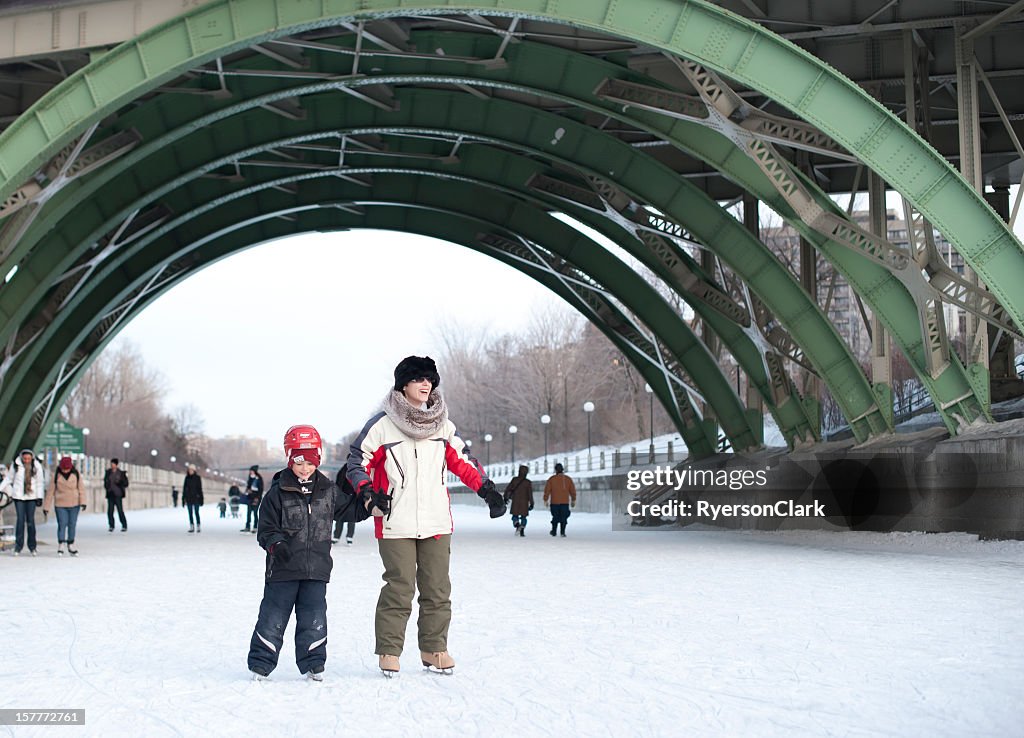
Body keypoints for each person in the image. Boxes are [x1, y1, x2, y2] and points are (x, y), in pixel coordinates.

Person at [348, 355, 507, 677]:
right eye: (419, 378)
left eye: (430, 379)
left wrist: (486, 489)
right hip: (395, 520)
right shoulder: (382, 425)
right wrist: (367, 493)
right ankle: (389, 651)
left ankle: (434, 649)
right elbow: (357, 461)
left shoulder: (442, 425)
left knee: (437, 589)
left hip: (436, 520)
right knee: (399, 588)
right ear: (403, 384)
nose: (426, 384)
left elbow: (463, 461)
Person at [248, 425, 366, 682]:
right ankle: (261, 662)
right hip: (283, 570)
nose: (304, 468)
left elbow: (352, 512)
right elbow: (266, 529)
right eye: (299, 462)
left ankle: (314, 662)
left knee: (313, 617)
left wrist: (370, 500)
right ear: (290, 459)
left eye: (310, 462)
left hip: (316, 570)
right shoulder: (277, 493)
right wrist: (277, 545)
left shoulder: (327, 490)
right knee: (273, 616)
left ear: (318, 460)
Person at [0, 449, 45, 555]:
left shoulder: (36, 466)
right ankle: (18, 546)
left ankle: (32, 546)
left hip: (31, 496)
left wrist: (39, 497)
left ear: (32, 458)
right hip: (19, 497)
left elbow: (40, 482)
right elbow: (8, 479)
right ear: (21, 457)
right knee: (20, 520)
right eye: (25, 458)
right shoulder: (16, 465)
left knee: (30, 521)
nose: (26, 461)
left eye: (28, 459)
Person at [43, 456, 86, 556]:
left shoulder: (76, 474)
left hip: (74, 503)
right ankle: (61, 543)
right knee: (62, 523)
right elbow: (50, 491)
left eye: (67, 469)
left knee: (72, 524)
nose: (66, 471)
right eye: (64, 469)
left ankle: (71, 543)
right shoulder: (56, 475)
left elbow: (81, 489)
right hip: (60, 504)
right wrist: (46, 506)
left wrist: (83, 502)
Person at [543, 462, 577, 537]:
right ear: (562, 470)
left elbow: (547, 490)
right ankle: (562, 532)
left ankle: (554, 531)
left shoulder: (551, 479)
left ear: (555, 470)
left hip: (554, 502)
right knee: (564, 517)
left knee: (555, 516)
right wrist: (573, 499)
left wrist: (545, 499)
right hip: (565, 502)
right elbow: (572, 490)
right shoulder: (568, 479)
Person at [503, 464, 534, 537]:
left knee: (515, 516)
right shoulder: (528, 482)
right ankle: (522, 529)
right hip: (524, 503)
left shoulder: (514, 480)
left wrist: (505, 497)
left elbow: (508, 489)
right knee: (524, 517)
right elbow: (530, 494)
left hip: (515, 502)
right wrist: (532, 503)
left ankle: (517, 525)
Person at [333, 466, 357, 545]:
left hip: (352, 497)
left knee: (349, 517)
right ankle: (337, 536)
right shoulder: (345, 470)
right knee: (341, 516)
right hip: (344, 497)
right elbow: (338, 482)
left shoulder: (354, 470)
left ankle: (348, 537)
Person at [103, 458, 129, 532]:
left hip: (118, 494)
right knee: (110, 511)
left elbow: (126, 483)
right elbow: (105, 481)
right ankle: (111, 525)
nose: (112, 465)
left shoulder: (121, 473)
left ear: (116, 465)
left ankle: (124, 525)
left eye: (113, 464)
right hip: (110, 494)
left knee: (120, 511)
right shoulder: (108, 472)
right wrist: (107, 487)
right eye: (111, 464)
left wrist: (120, 483)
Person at [242, 465, 264, 533]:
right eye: (250, 471)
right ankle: (247, 527)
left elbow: (261, 490)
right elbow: (248, 487)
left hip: (256, 498)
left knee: (255, 513)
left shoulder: (259, 479)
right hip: (250, 498)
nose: (250, 472)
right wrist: (248, 490)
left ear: (255, 471)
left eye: (251, 471)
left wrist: (257, 498)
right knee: (248, 513)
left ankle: (255, 527)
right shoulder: (250, 478)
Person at [182, 464, 203, 533]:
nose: (190, 471)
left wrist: (201, 499)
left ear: (194, 470)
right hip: (189, 498)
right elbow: (184, 489)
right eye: (189, 470)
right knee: (190, 513)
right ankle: (191, 526)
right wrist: (183, 499)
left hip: (196, 498)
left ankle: (198, 525)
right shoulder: (187, 478)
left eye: (191, 470)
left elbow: (200, 489)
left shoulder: (197, 478)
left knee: (196, 512)